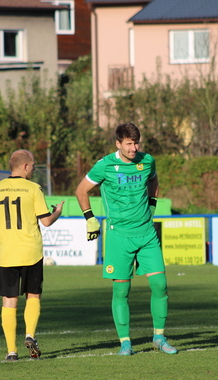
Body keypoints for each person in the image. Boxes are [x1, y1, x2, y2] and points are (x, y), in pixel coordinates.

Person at [75, 122, 177, 356]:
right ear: (118, 143)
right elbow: (81, 191)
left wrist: (152, 204)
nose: (134, 148)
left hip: (146, 233)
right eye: (129, 144)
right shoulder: (105, 166)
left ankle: (159, 338)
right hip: (119, 235)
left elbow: (153, 180)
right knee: (122, 291)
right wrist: (89, 218)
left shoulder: (147, 161)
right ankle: (125, 342)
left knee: (160, 285)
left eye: (136, 143)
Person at [0, 150, 64, 362]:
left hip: (7, 254)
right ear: (24, 166)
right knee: (33, 295)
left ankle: (12, 352)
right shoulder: (33, 189)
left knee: (9, 301)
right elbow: (46, 221)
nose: (33, 170)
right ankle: (30, 334)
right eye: (32, 166)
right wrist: (57, 211)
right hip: (31, 252)